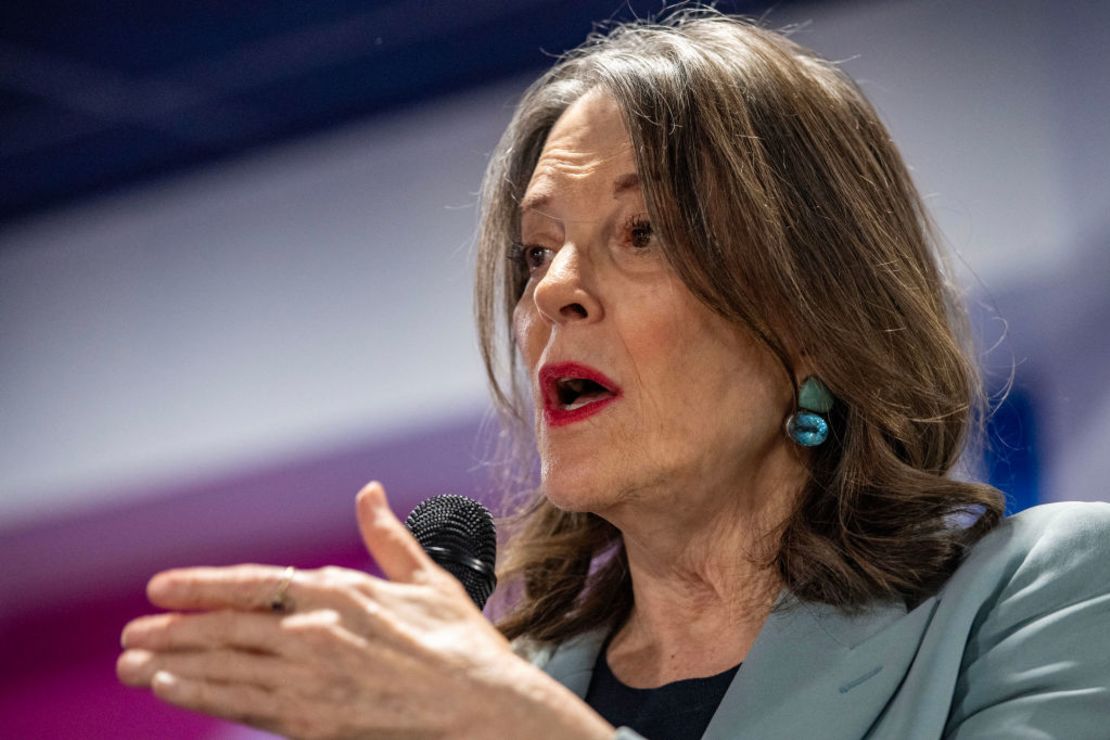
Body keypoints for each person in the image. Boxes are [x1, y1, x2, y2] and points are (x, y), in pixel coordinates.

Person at [117, 9, 1110, 739]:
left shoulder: (1038, 591)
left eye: (641, 234)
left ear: (815, 316)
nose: (554, 292)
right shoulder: (504, 688)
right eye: (534, 251)